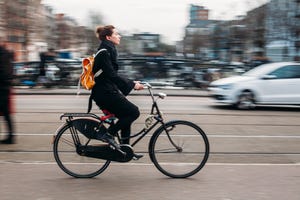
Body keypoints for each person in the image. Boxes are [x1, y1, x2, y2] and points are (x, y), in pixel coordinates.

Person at [91, 25, 144, 159]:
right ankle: (108, 134)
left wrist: (132, 83)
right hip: (104, 93)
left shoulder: (108, 50)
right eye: (117, 34)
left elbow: (112, 75)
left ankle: (126, 151)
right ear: (109, 37)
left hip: (107, 91)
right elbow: (112, 75)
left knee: (126, 115)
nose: (119, 36)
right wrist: (132, 85)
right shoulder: (104, 52)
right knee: (133, 112)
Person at [0, 43, 15, 144]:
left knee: (5, 113)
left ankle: (10, 137)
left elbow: (3, 72)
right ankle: (10, 136)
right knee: (6, 114)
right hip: (5, 87)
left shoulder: (2, 55)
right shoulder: (5, 54)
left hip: (2, 88)